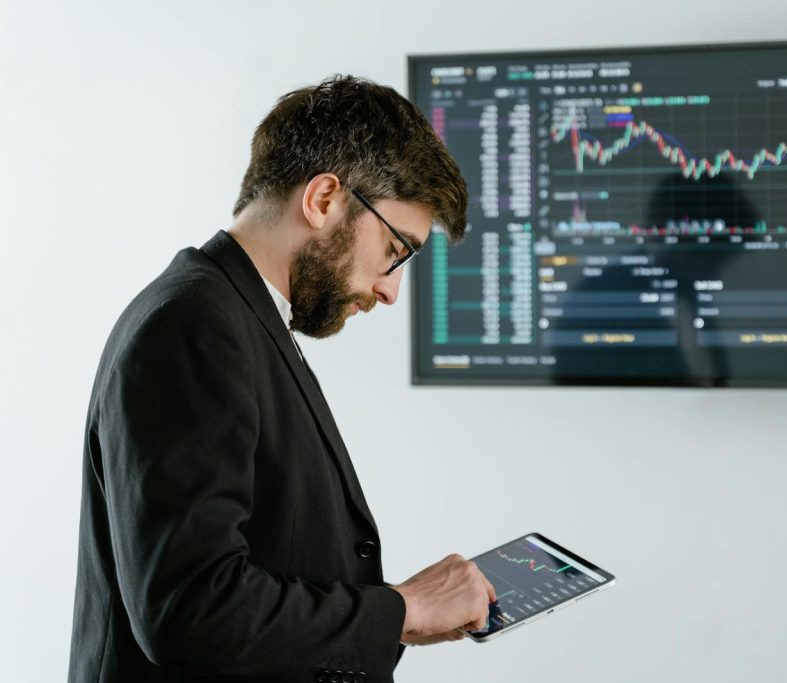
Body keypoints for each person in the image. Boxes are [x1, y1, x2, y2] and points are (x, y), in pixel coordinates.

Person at [68, 74, 496, 683]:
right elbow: (190, 609)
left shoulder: (237, 317)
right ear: (323, 199)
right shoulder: (192, 325)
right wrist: (404, 609)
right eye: (396, 249)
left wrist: (394, 620)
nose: (390, 289)